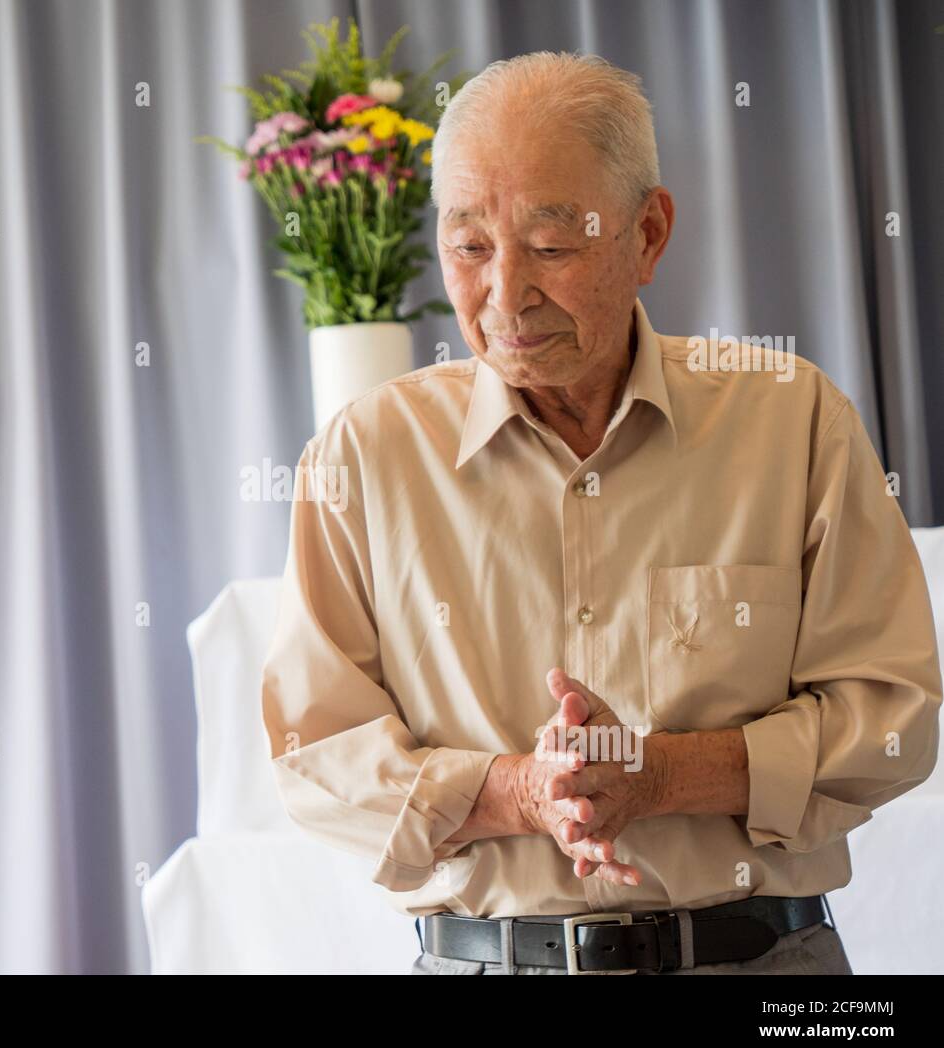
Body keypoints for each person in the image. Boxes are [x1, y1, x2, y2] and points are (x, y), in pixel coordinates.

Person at [259, 51, 941, 975]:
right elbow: (312, 753)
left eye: (550, 246)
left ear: (649, 233)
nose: (505, 294)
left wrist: (663, 774)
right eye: (468, 247)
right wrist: (515, 791)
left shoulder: (793, 419)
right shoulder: (365, 456)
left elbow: (895, 717)